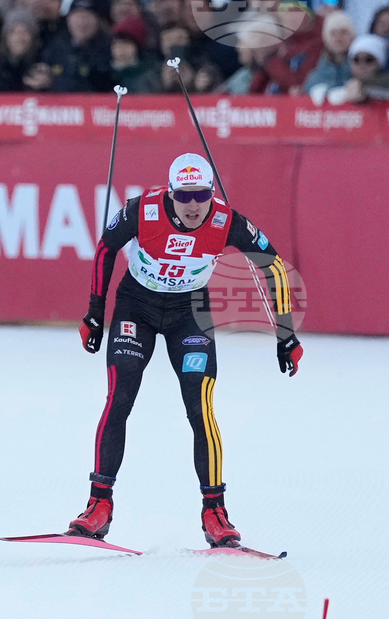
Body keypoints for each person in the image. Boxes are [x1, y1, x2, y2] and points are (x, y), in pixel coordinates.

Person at [70, 154, 303, 548]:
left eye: (201, 195)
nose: (193, 205)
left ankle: (215, 512)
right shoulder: (141, 210)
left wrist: (286, 333)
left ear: (212, 193)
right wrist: (95, 312)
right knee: (119, 399)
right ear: (171, 192)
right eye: (184, 195)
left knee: (200, 407)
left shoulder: (226, 220)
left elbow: (274, 265)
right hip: (136, 309)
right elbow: (105, 249)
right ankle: (98, 506)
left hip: (188, 315)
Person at [35, 0, 113, 93]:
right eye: (77, 16)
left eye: (87, 16)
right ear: (68, 19)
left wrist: (54, 83)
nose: (82, 22)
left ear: (97, 21)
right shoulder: (55, 47)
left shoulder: (108, 49)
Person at [250, 0, 323, 95]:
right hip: (269, 107)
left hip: (294, 107)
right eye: (286, 10)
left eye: (297, 10)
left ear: (309, 16)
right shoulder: (282, 43)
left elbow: (299, 85)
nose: (290, 16)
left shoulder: (318, 45)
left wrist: (271, 60)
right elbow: (254, 92)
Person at [303, 11, 356, 93]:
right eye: (333, 33)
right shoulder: (315, 76)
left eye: (344, 32)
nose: (338, 38)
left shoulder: (363, 69)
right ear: (326, 39)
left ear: (352, 36)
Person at [110, 15, 159, 93]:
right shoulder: (102, 73)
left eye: (126, 44)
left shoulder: (148, 74)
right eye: (118, 44)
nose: (121, 49)